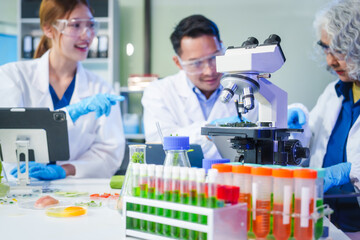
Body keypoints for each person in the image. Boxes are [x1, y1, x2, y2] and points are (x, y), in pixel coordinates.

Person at [0, 0, 125, 179]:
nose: (87, 34)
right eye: (75, 25)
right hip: (22, 189)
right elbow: (9, 141)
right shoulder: (13, 77)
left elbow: (109, 152)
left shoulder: (101, 88)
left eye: (90, 25)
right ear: (48, 29)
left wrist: (65, 170)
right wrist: (67, 115)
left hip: (77, 193)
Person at [288, 0, 360, 234]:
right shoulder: (334, 93)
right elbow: (310, 145)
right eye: (326, 49)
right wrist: (296, 128)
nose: (330, 61)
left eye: (340, 50)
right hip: (326, 221)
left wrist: (350, 171)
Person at [141, 14, 257, 159]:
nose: (209, 71)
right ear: (178, 62)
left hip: (233, 178)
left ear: (222, 48)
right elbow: (159, 143)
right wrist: (208, 131)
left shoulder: (245, 86)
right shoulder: (158, 92)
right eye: (196, 63)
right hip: (183, 179)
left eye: (215, 58)